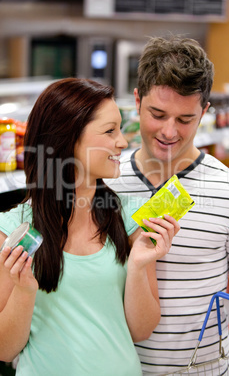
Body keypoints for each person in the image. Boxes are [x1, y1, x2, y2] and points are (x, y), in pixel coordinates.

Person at [106, 35, 229, 375]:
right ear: (136, 101)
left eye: (185, 119)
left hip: (201, 369)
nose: (169, 131)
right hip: (115, 367)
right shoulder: (104, 182)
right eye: (158, 114)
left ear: (205, 112)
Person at [0, 78, 180, 376]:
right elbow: (5, 349)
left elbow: (141, 329)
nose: (122, 142)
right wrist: (24, 290)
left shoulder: (130, 218)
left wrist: (137, 265)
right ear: (67, 139)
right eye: (110, 131)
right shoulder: (15, 229)